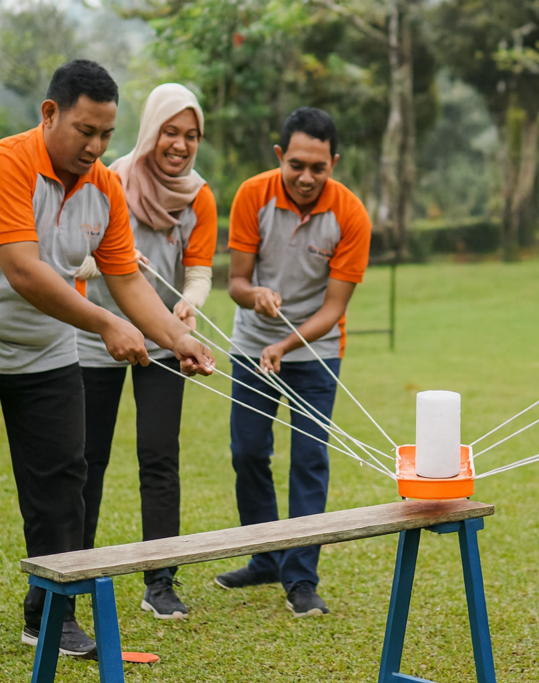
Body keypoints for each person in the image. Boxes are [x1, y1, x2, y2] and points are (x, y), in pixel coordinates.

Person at [0, 60, 213, 659]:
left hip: (48, 358)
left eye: (106, 134)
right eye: (85, 130)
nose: (97, 146)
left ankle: (51, 620)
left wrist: (175, 338)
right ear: (49, 114)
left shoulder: (105, 187)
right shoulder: (3, 163)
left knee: (62, 492)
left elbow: (127, 279)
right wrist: (107, 323)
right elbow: (23, 271)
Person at [214, 107, 371, 618]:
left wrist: (287, 346)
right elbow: (235, 282)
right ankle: (265, 556)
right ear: (280, 155)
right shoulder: (252, 195)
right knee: (248, 452)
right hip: (252, 346)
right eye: (297, 164)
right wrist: (254, 294)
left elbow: (334, 308)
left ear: (334, 163)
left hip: (316, 353)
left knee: (309, 461)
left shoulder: (351, 214)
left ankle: (301, 578)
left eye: (318, 168)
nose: (306, 177)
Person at [75, 83, 218, 620]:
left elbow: (198, 273)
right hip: (99, 337)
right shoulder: (109, 180)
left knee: (160, 458)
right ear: (150, 130)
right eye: (171, 132)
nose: (180, 145)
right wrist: (111, 261)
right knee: (87, 461)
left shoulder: (199, 194)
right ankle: (76, 575)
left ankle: (160, 582)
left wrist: (189, 306)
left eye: (192, 136)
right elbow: (77, 262)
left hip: (164, 342)